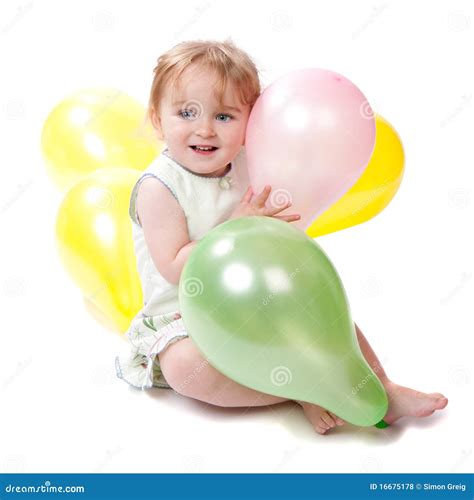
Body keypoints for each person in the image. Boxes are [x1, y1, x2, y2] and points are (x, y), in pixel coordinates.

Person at [115, 39, 448, 434]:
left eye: (224, 117)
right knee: (189, 371)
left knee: (327, 313)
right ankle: (303, 390)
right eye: (187, 113)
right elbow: (172, 267)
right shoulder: (160, 188)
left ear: (251, 121)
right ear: (157, 120)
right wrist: (237, 226)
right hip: (186, 314)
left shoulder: (252, 160)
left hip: (258, 298)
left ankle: (383, 387)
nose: (204, 129)